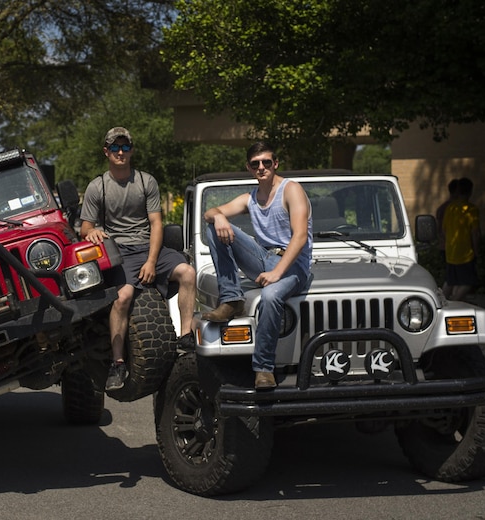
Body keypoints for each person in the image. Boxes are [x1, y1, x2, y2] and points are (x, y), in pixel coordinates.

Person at [80, 127, 196, 392]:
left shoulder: (146, 181)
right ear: (106, 152)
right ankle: (118, 362)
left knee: (188, 273)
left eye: (126, 147)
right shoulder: (97, 187)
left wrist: (152, 261)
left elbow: (157, 224)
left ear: (132, 150)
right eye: (115, 148)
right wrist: (93, 231)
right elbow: (84, 229)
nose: (121, 152)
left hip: (148, 247)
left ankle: (187, 337)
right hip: (120, 252)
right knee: (122, 298)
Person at [202, 142, 312, 390]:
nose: (261, 167)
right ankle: (231, 299)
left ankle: (263, 368)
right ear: (249, 168)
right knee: (213, 226)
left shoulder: (291, 190)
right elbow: (211, 212)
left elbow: (300, 237)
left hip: (293, 265)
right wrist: (219, 216)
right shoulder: (250, 198)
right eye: (255, 164)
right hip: (263, 257)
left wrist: (277, 272)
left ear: (275, 164)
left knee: (271, 296)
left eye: (266, 162)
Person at [442, 177, 481, 301]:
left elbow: (444, 229)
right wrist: (476, 250)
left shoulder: (450, 208)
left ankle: (441, 301)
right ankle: (454, 301)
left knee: (451, 281)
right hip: (465, 253)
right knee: (468, 282)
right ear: (471, 191)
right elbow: (475, 232)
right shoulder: (471, 209)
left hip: (451, 251)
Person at [435, 178, 459, 298]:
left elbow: (439, 229)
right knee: (452, 277)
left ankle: (456, 298)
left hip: (444, 245)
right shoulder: (452, 208)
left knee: (452, 276)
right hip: (450, 246)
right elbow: (442, 229)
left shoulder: (442, 207)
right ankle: (446, 299)